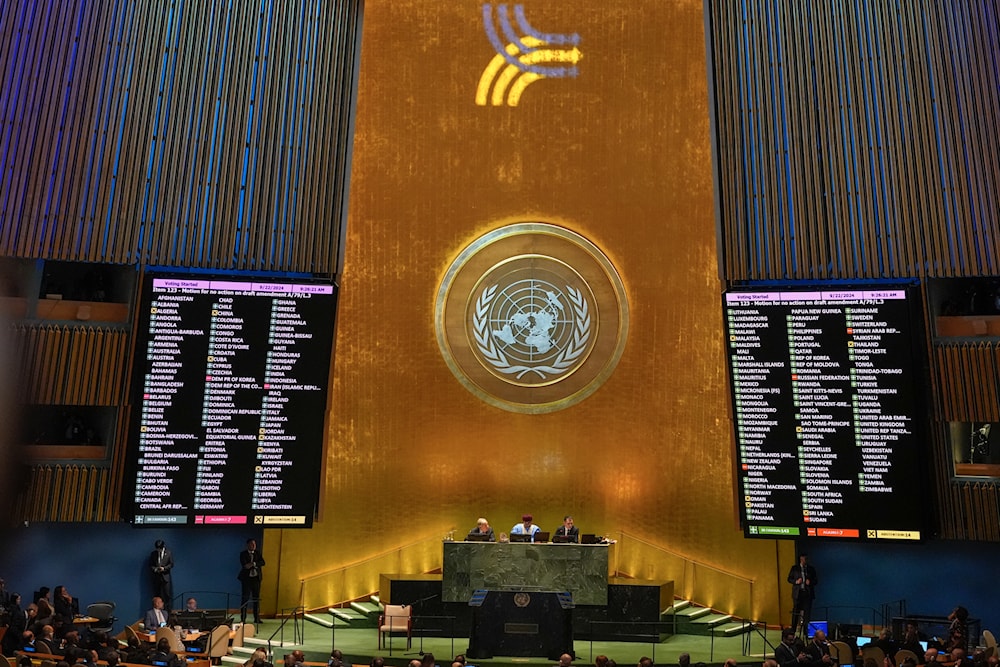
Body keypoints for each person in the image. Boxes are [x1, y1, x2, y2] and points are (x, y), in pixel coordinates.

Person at [787, 554, 817, 635]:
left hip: (807, 594)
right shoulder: (795, 568)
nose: (805, 561)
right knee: (796, 612)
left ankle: (806, 632)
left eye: (806, 559)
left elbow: (816, 580)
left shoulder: (811, 569)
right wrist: (796, 582)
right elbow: (789, 579)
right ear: (801, 559)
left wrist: (810, 582)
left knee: (807, 614)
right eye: (804, 559)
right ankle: (793, 631)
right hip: (798, 594)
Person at [238, 539, 265, 624]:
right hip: (247, 579)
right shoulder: (243, 554)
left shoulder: (257, 553)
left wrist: (253, 564)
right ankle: (243, 618)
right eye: (251, 544)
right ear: (248, 545)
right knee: (245, 598)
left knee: (256, 599)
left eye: (254, 544)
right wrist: (254, 564)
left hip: (256, 579)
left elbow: (263, 562)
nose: (253, 546)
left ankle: (256, 618)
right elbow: (245, 565)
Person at [150, 540, 174, 611]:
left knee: (167, 595)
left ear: (163, 547)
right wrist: (155, 569)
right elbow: (151, 565)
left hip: (165, 577)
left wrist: (164, 568)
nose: (158, 550)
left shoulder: (169, 553)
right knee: (157, 596)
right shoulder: (153, 554)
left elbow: (171, 564)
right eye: (157, 549)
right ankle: (157, 612)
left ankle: (167, 611)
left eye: (160, 548)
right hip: (157, 577)